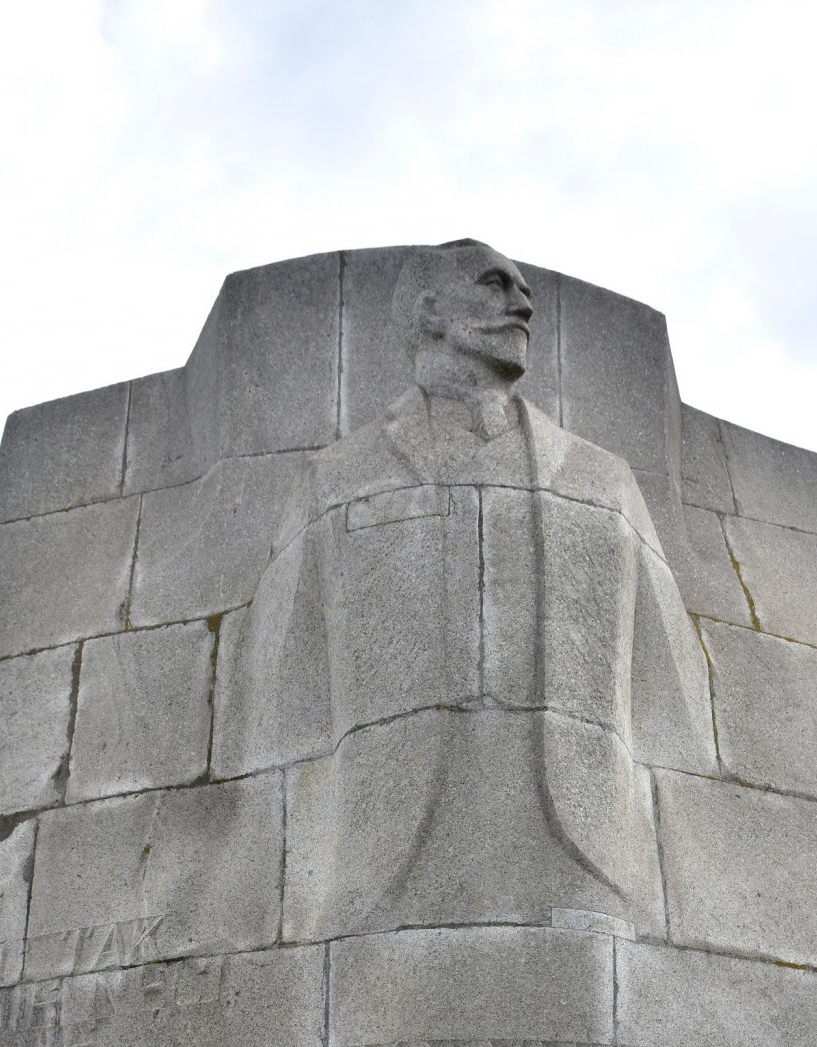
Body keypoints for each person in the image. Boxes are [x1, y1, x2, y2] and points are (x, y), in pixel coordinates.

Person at [219, 239, 713, 938]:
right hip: (378, 864)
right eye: (493, 284)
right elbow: (280, 685)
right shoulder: (338, 475)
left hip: (583, 865)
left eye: (523, 291)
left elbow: (671, 687)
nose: (521, 304)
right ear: (429, 312)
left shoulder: (601, 478)